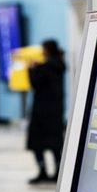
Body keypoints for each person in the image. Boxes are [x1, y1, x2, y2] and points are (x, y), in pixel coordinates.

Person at [26, 40, 66, 184]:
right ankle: (57, 172)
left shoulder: (45, 67)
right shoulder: (59, 66)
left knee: (38, 144)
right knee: (55, 145)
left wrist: (31, 69)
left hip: (41, 112)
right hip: (55, 111)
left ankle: (42, 171)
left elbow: (35, 83)